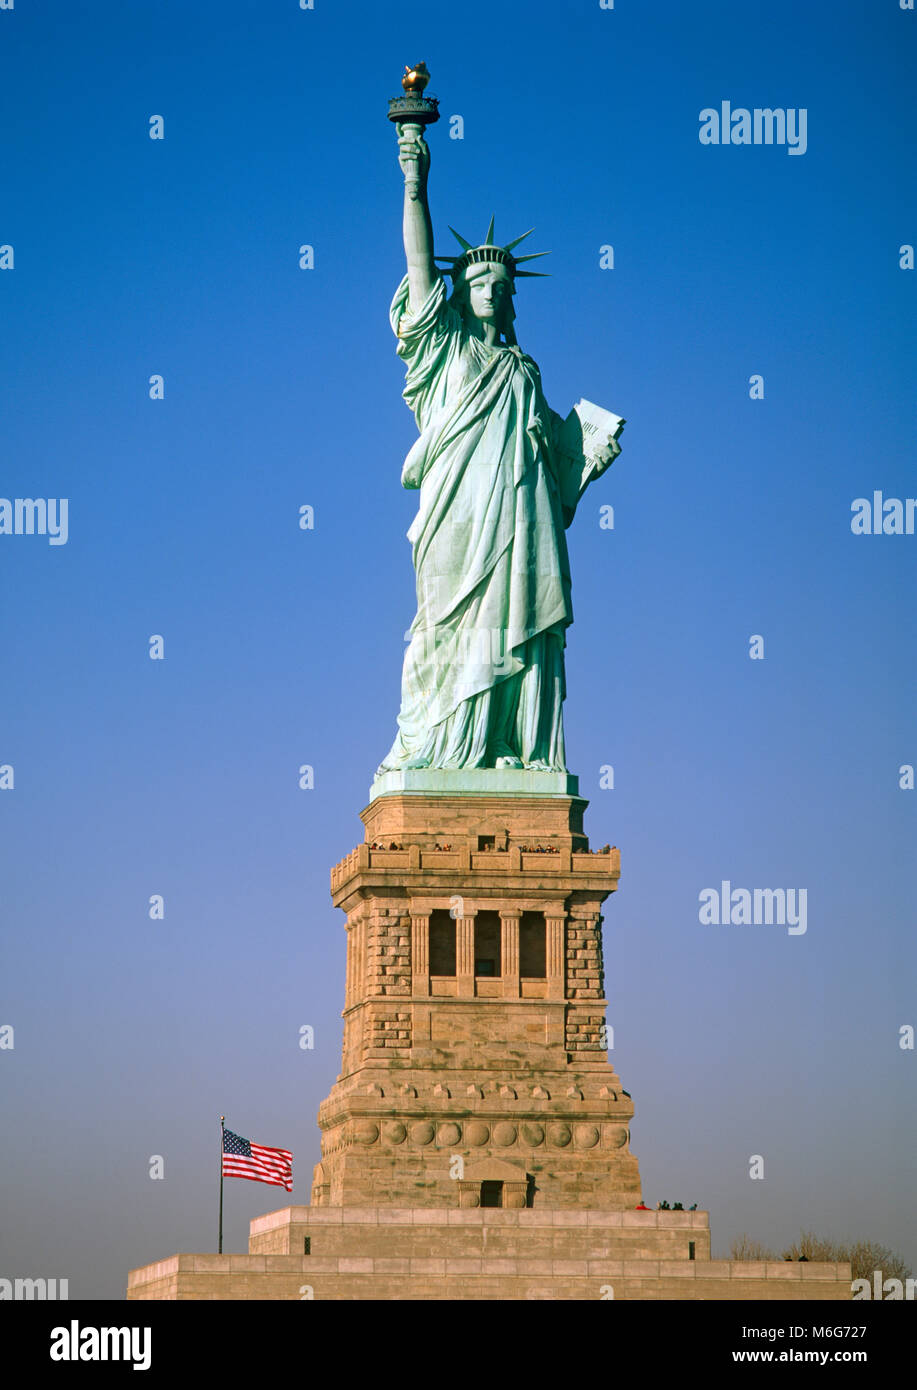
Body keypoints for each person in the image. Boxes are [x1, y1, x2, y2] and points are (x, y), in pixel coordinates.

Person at [376, 124, 620, 776]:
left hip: (518, 518)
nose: (488, 288)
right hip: (455, 515)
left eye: (499, 283)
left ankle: (506, 745)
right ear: (460, 292)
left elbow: (554, 473)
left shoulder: (523, 372)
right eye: (477, 281)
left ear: (511, 295)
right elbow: (419, 265)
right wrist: (414, 183)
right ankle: (442, 745)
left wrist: (585, 458)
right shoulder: (445, 349)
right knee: (445, 623)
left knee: (518, 615)